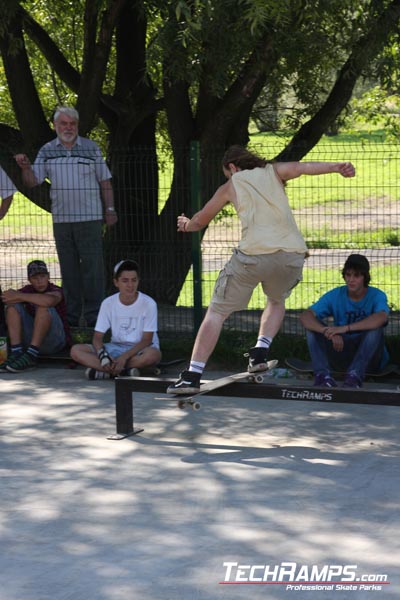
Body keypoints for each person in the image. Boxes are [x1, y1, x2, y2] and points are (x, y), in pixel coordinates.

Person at [167, 145, 356, 394]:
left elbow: (201, 220)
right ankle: (259, 353)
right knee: (276, 301)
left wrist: (186, 224)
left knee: (216, 312)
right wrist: (336, 167)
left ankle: (192, 375)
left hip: (253, 256)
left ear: (233, 167)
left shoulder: (231, 185)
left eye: (228, 173)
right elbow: (301, 168)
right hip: (291, 256)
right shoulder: (273, 171)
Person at [14, 106, 117, 327]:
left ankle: (94, 320)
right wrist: (25, 168)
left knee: (93, 271)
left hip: (90, 219)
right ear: (55, 126)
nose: (68, 128)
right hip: (61, 220)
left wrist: (110, 210)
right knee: (68, 271)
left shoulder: (91, 148)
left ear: (77, 126)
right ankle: (70, 320)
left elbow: (105, 182)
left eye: (72, 124)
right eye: (64, 124)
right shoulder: (47, 150)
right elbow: (33, 181)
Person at [299, 253, 390, 389]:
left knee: (375, 329)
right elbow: (305, 316)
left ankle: (355, 376)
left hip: (369, 358)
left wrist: (345, 328)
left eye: (357, 275)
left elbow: (381, 317)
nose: (351, 280)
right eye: (348, 275)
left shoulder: (377, 295)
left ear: (365, 277)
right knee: (312, 328)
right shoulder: (336, 295)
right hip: (340, 351)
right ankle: (323, 376)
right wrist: (327, 332)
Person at [70, 259, 161, 380]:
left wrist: (124, 358)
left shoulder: (149, 303)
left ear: (138, 281)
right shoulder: (108, 303)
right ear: (116, 282)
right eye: (125, 281)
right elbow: (97, 338)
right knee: (76, 350)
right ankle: (123, 371)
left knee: (153, 355)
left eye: (134, 280)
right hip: (115, 347)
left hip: (141, 349)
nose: (130, 285)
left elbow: (147, 340)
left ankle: (104, 371)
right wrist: (103, 356)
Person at [0, 260, 71, 373]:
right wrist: (17, 296)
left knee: (43, 306)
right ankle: (16, 352)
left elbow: (48, 301)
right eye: (35, 278)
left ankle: (31, 356)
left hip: (55, 341)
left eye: (42, 276)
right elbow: (8, 297)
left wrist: (19, 296)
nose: (39, 281)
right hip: (29, 341)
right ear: (29, 280)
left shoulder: (56, 290)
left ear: (48, 277)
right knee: (12, 307)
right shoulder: (26, 291)